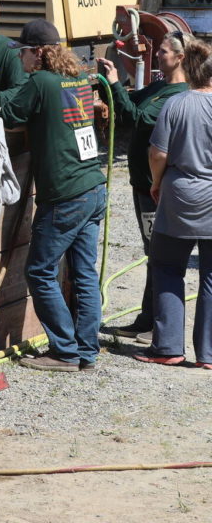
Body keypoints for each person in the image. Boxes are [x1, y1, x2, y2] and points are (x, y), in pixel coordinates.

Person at [0, 19, 105, 371]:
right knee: (84, 273)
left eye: (24, 52)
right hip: (92, 186)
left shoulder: (40, 81)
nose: (20, 59)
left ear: (39, 53)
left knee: (40, 271)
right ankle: (86, 351)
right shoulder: (78, 78)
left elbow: (11, 115)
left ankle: (64, 351)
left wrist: (11, 90)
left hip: (65, 194)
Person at [95, 32, 188, 343]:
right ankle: (148, 318)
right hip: (141, 184)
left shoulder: (178, 95)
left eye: (163, 52)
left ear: (180, 57)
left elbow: (136, 117)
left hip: (155, 189)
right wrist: (110, 81)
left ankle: (155, 324)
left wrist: (116, 84)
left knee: (158, 254)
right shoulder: (160, 86)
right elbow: (128, 105)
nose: (157, 56)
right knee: (153, 253)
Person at [137, 37, 212, 368]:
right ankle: (208, 354)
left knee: (166, 267)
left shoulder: (177, 104)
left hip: (180, 194)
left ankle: (168, 347)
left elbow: (158, 153)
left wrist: (156, 183)